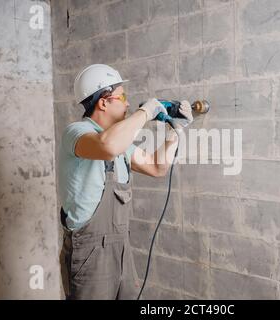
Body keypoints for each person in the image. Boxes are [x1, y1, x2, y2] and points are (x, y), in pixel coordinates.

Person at [58, 64, 193, 299]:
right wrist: (145, 113)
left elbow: (156, 167)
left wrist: (175, 132)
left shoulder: (120, 143)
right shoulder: (77, 132)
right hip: (90, 251)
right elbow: (106, 146)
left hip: (120, 248)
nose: (128, 103)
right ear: (103, 101)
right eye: (123, 97)